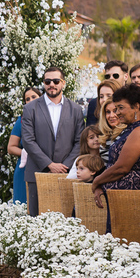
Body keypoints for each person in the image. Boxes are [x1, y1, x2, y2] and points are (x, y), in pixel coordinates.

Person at [20, 66, 85, 215]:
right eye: (47, 81)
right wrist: (49, 164)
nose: (52, 85)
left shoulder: (75, 109)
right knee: (36, 220)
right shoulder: (30, 108)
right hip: (37, 171)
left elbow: (79, 141)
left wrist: (64, 165)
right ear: (43, 83)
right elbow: (28, 140)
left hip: (66, 172)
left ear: (63, 83)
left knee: (66, 220)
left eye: (56, 81)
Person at [90, 84, 140, 211]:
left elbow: (121, 167)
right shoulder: (131, 129)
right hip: (119, 196)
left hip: (129, 198)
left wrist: (96, 181)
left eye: (120, 108)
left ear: (136, 106)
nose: (117, 113)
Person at [7, 88, 41, 202]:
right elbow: (11, 147)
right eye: (27, 99)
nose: (31, 100)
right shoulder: (21, 121)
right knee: (23, 203)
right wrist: (25, 153)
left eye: (34, 97)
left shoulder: (52, 119)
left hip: (47, 168)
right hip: (25, 168)